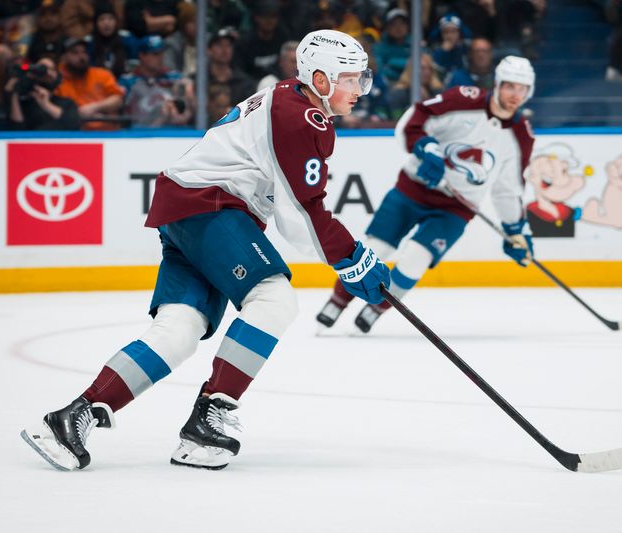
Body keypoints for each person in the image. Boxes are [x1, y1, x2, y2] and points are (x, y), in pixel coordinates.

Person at [20, 29, 391, 472]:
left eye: (361, 79)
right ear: (321, 78)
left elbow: (296, 209)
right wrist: (353, 260)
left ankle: (72, 418)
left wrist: (349, 258)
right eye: (350, 79)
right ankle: (208, 417)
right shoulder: (302, 117)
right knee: (273, 299)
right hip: (210, 206)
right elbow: (303, 213)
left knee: (178, 330)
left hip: (189, 208)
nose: (359, 89)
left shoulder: (288, 100)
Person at [316, 56, 536, 334]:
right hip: (413, 188)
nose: (515, 95)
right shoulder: (463, 100)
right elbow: (414, 120)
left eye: (522, 89)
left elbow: (509, 188)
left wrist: (515, 229)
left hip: (455, 208)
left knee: (415, 259)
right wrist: (426, 148)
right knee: (375, 250)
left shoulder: (521, 136)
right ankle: (338, 301)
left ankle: (377, 308)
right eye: (510, 86)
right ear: (498, 84)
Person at [56, 37, 125, 131]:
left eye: (84, 52)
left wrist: (95, 107)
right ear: (63, 57)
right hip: (74, 134)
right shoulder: (57, 80)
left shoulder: (102, 74)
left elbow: (118, 99)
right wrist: (77, 113)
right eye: (75, 53)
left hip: (108, 132)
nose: (81, 57)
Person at [4, 56, 81, 130]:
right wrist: (14, 93)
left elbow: (73, 125)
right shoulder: (24, 103)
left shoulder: (67, 103)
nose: (47, 72)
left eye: (52, 69)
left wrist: (46, 104)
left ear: (58, 76)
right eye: (42, 68)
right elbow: (17, 131)